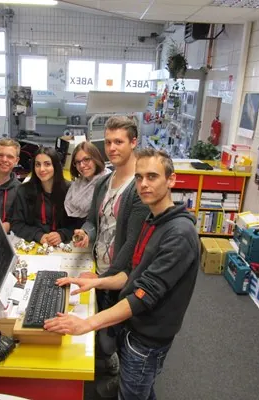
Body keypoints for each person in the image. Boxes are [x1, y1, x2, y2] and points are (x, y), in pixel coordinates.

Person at [45, 149, 200, 400]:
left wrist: (87, 324)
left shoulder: (178, 234)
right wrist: (97, 282)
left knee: (133, 394)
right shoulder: (153, 218)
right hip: (134, 328)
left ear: (171, 180)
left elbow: (143, 295)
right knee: (139, 388)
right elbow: (133, 273)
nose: (144, 184)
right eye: (139, 177)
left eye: (152, 176)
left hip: (147, 339)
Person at [72, 116, 150, 396]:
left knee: (118, 333)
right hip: (100, 268)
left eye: (119, 141)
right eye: (107, 142)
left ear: (134, 142)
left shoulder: (139, 187)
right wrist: (86, 233)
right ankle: (107, 360)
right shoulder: (104, 182)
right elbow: (94, 221)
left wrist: (104, 278)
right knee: (103, 330)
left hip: (120, 276)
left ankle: (118, 372)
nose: (112, 148)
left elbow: (132, 243)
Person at [10, 147, 73, 245]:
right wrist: (38, 235)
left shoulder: (70, 190)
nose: (42, 169)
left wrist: (62, 234)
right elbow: (16, 223)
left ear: (56, 166)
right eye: (38, 164)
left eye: (47, 164)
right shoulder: (23, 191)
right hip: (35, 245)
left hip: (65, 245)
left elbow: (78, 223)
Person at [64, 141, 111, 229]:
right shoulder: (78, 183)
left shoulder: (107, 184)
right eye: (77, 162)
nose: (82, 165)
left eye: (86, 159)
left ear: (96, 159)